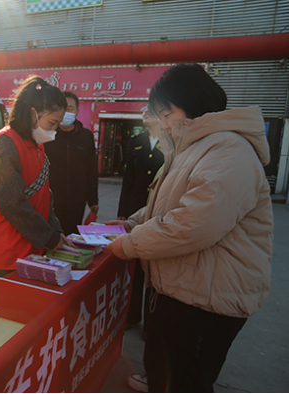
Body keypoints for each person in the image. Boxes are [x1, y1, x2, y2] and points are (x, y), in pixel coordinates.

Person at [106, 63, 273, 393]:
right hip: (184, 289)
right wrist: (132, 223)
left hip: (206, 302)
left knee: (188, 381)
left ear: (194, 101)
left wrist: (128, 245)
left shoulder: (228, 149)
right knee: (166, 373)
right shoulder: (194, 148)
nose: (164, 123)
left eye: (167, 113)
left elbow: (193, 224)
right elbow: (168, 205)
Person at [0, 76, 72, 303]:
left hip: (26, 250)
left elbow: (44, 196)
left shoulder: (37, 146)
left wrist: (57, 233)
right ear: (33, 114)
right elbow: (12, 202)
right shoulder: (4, 144)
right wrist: (49, 237)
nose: (54, 131)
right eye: (51, 123)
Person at [117, 107, 164, 328]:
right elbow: (128, 180)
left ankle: (151, 323)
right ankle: (132, 315)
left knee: (154, 268)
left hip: (159, 209)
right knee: (135, 267)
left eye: (153, 108)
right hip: (135, 209)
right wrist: (122, 213)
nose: (146, 111)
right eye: (145, 108)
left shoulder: (172, 141)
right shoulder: (135, 141)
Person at [45, 91, 99, 235]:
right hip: (52, 201)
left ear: (77, 111)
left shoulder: (86, 136)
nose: (67, 112)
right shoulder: (49, 135)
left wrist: (93, 200)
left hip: (77, 201)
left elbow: (92, 169)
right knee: (53, 237)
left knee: (72, 237)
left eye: (70, 108)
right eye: (64, 108)